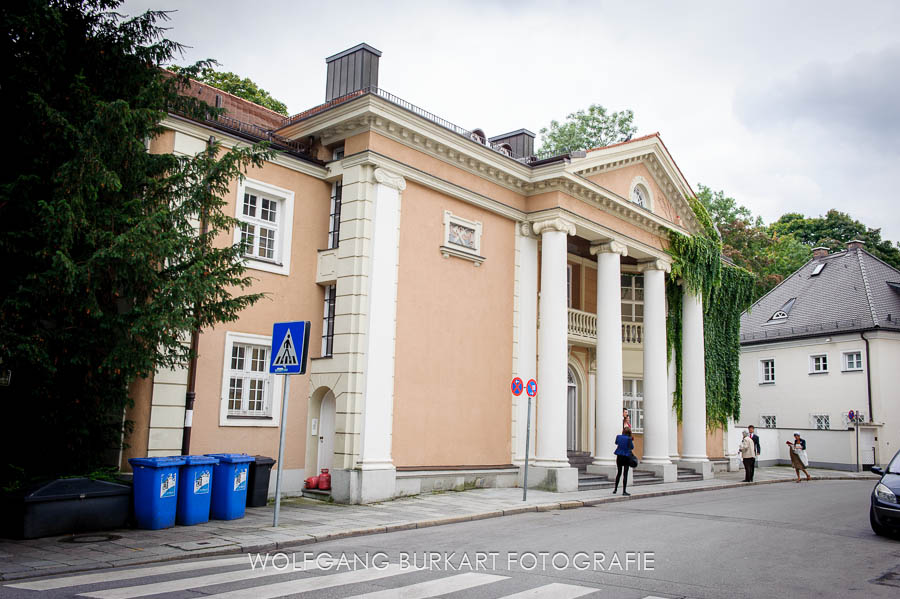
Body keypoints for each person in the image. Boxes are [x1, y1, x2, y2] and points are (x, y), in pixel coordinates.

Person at [613, 426, 635, 496]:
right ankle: (624, 491)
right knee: (625, 474)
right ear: (629, 432)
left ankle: (615, 489)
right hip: (626, 457)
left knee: (619, 473)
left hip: (619, 457)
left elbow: (616, 443)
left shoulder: (618, 437)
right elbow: (632, 447)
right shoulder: (629, 439)